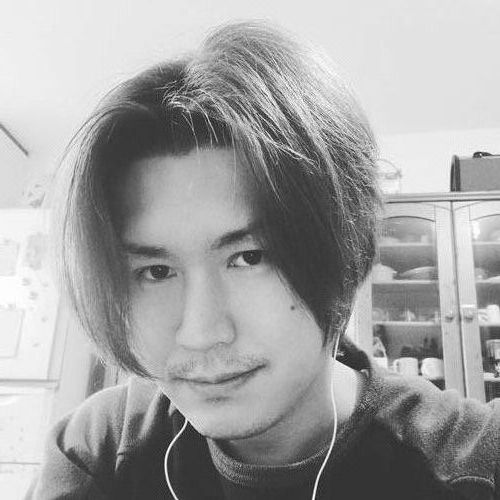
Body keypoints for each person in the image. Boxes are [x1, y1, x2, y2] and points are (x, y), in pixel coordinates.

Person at [29, 21, 500, 500]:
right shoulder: (98, 450)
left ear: (346, 247)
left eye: (249, 257)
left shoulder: (474, 466)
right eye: (156, 272)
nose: (201, 332)